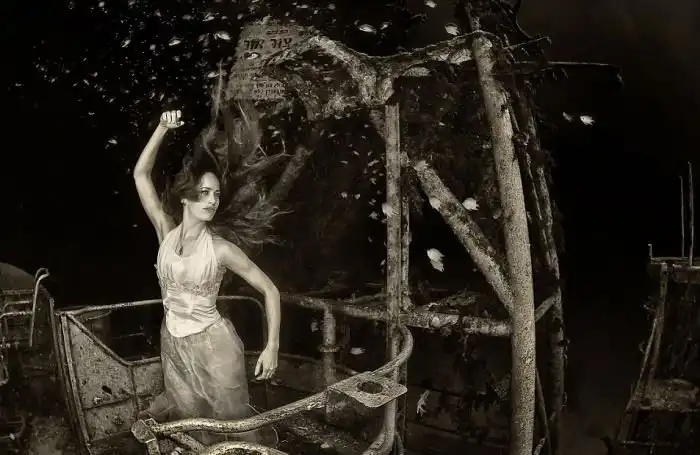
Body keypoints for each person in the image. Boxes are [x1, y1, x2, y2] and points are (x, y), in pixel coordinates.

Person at [133, 107, 282, 445]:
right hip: (173, 344)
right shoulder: (165, 231)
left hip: (215, 347)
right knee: (190, 423)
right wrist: (162, 127)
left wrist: (272, 346)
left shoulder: (221, 249)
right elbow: (141, 175)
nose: (212, 200)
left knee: (232, 426)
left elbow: (270, 290)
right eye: (204, 193)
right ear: (185, 197)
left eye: (215, 194)